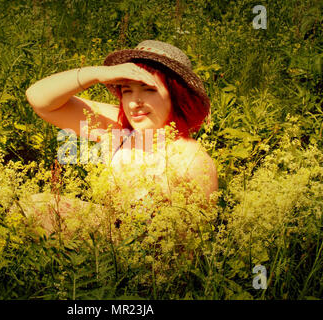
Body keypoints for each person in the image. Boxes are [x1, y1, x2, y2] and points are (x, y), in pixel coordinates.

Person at [24, 40, 218, 237]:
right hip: (106, 247)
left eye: (149, 89)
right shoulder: (120, 129)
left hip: (137, 259)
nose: (134, 103)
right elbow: (39, 99)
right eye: (127, 90)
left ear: (176, 95)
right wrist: (99, 74)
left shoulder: (192, 159)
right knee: (33, 206)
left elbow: (191, 248)